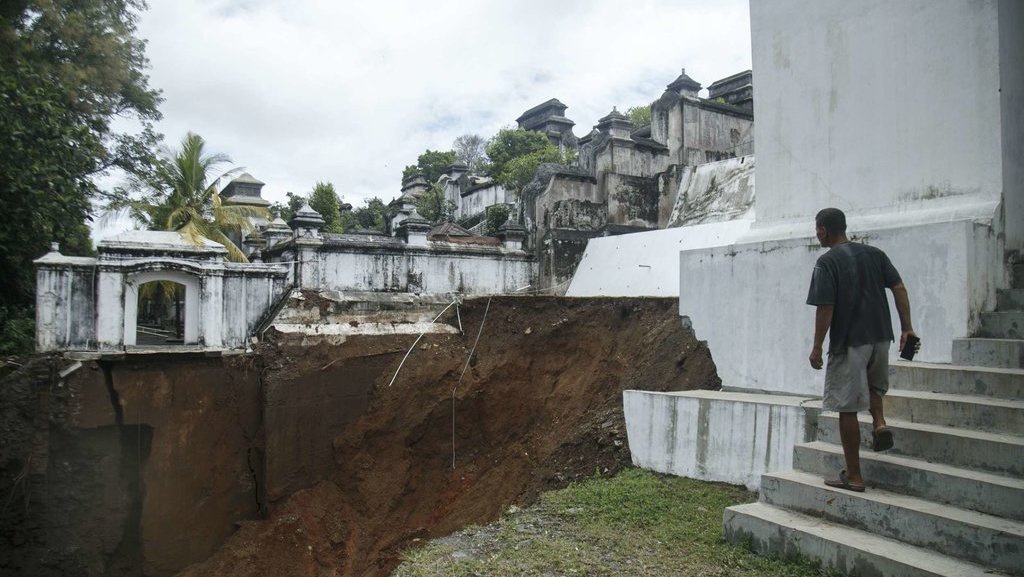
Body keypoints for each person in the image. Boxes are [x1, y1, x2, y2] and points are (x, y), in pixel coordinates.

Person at [806, 208, 918, 492]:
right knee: (873, 386)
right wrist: (907, 328)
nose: (817, 234)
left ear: (823, 230)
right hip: (881, 336)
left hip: (849, 341)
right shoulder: (875, 254)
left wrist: (817, 346)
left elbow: (826, 307)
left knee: (847, 407)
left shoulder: (826, 262)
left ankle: (854, 476)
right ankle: (879, 424)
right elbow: (899, 287)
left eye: (817, 230)